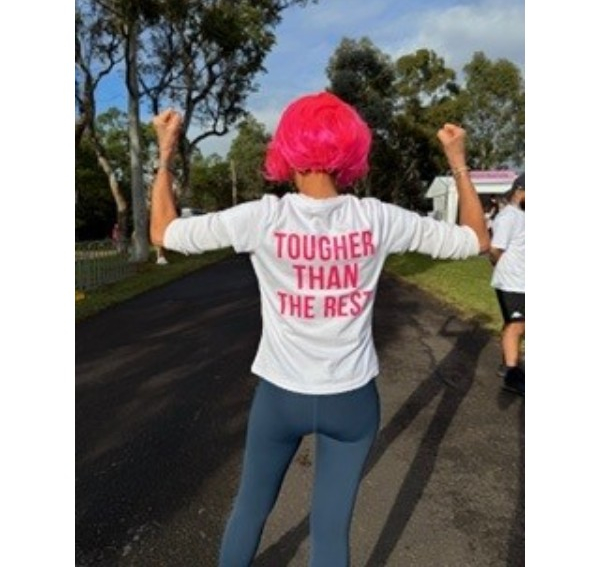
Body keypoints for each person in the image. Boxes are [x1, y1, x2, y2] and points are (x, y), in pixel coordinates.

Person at [150, 92, 490, 567]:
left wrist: (166, 154)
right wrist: (457, 161)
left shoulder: (263, 217)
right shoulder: (376, 217)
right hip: (351, 399)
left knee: (250, 510)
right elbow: (476, 240)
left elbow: (163, 232)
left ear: (286, 149)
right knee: (330, 530)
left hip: (281, 396)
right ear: (351, 149)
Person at [489, 173, 525, 396]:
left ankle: (508, 364)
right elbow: (495, 249)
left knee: (519, 326)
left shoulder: (523, 215)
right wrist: (501, 268)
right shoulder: (508, 216)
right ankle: (512, 375)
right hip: (511, 282)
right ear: (520, 191)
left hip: (523, 281)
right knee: (517, 325)